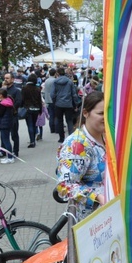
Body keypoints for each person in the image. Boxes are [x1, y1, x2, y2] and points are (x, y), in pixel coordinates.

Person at [56, 91, 107, 221]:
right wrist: (97, 197)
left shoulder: (107, 136)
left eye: (108, 113)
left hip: (110, 215)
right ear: (85, 113)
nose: (106, 117)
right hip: (92, 221)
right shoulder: (76, 145)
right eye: (101, 113)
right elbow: (65, 185)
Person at [52, 67, 80, 143]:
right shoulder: (69, 82)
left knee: (60, 121)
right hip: (68, 104)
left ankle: (61, 138)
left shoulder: (55, 82)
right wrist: (76, 104)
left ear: (57, 73)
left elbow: (52, 94)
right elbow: (74, 94)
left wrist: (54, 102)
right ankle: (71, 137)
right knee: (69, 121)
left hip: (58, 104)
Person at [0, 88, 16, 164]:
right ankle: (8, 156)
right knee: (5, 139)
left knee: (6, 140)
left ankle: (10, 157)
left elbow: (0, 113)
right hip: (7, 123)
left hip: (4, 124)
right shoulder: (7, 101)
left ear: (1, 95)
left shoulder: (3, 103)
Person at [2, 72, 22, 157]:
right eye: (5, 78)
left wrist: (11, 107)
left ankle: (15, 151)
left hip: (12, 115)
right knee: (4, 135)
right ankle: (3, 150)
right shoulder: (3, 90)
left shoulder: (16, 91)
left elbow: (18, 102)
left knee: (14, 134)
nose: (5, 80)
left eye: (7, 78)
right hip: (3, 116)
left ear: (12, 79)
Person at [22, 73, 42, 148]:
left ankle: (32, 141)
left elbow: (22, 99)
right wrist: (40, 110)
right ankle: (33, 139)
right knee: (34, 124)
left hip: (28, 108)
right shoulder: (37, 89)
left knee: (29, 125)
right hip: (36, 108)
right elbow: (39, 100)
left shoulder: (25, 88)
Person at [42, 68, 57, 134]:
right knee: (56, 115)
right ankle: (56, 129)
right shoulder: (55, 80)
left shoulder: (46, 80)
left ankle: (52, 129)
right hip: (54, 99)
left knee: (51, 114)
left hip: (48, 99)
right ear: (55, 73)